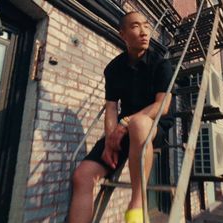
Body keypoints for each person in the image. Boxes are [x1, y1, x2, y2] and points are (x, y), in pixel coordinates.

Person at [68, 11, 174, 223]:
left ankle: (137, 203)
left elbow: (162, 106)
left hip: (152, 127)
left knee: (140, 123)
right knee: (82, 176)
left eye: (146, 25)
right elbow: (111, 108)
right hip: (123, 131)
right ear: (123, 34)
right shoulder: (114, 69)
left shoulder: (161, 64)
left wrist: (125, 123)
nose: (144, 32)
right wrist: (109, 141)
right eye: (136, 26)